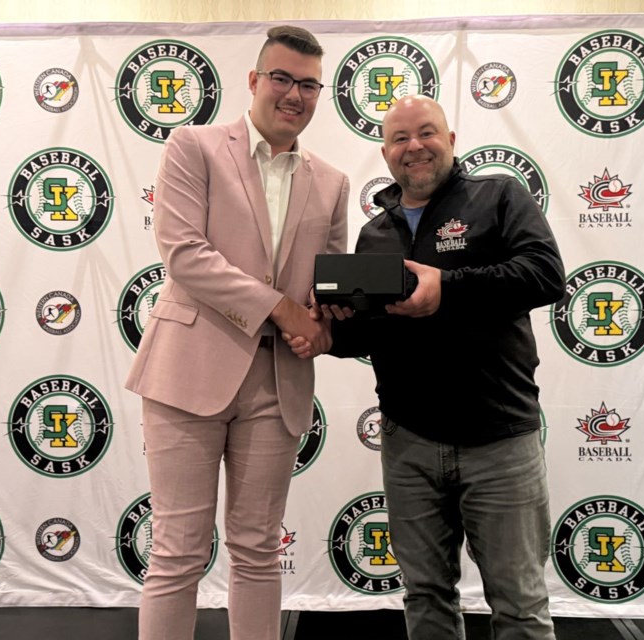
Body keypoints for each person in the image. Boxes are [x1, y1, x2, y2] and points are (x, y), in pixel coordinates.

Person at [290, 95, 564, 640]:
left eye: (426, 133)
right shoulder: (377, 233)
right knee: (427, 598)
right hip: (409, 442)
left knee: (519, 605)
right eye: (399, 139)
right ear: (386, 152)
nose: (414, 147)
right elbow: (375, 331)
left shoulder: (500, 196)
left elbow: (544, 274)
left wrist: (450, 288)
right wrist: (331, 332)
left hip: (500, 440)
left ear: (451, 139)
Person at [125, 26, 349, 640]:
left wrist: (322, 324)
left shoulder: (332, 182)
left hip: (278, 386)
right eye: (281, 78)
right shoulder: (192, 146)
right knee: (178, 552)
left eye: (308, 84)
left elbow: (323, 290)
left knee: (256, 551)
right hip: (186, 375)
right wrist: (281, 308)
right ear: (253, 81)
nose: (293, 95)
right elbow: (185, 256)